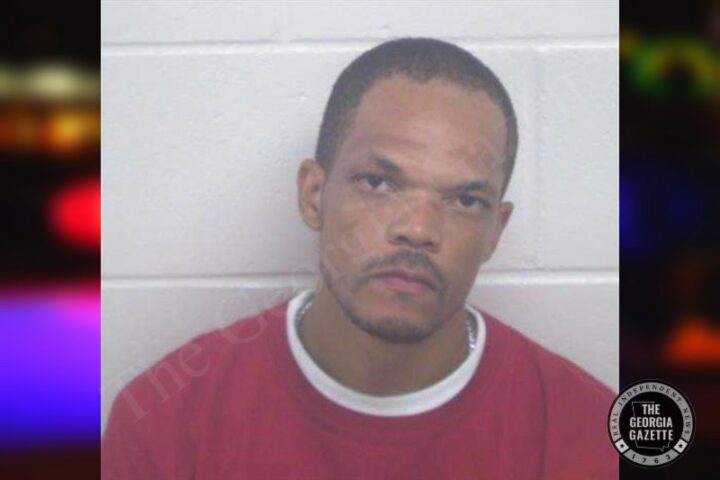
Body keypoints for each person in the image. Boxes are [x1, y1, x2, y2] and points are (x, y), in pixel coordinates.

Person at [102, 37, 617, 479]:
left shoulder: (589, 436)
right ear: (313, 195)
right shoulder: (167, 424)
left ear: (494, 232)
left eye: (464, 201)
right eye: (378, 183)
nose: (417, 230)